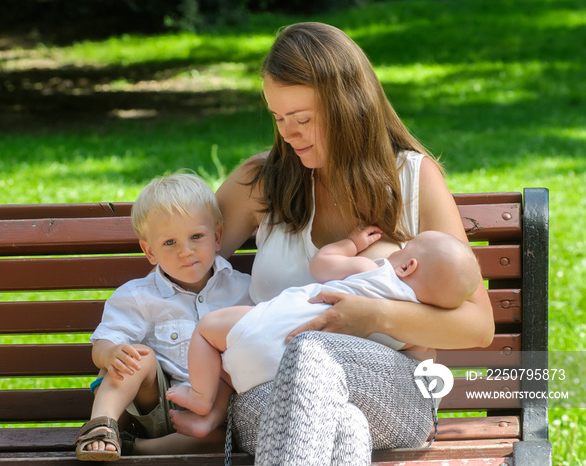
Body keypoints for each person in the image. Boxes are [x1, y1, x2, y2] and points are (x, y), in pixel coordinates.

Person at [205, 22, 494, 465]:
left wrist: (373, 315)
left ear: (348, 106)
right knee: (345, 429)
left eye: (302, 119)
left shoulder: (413, 179)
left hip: (392, 389)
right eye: (278, 118)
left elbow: (477, 325)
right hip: (263, 388)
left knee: (310, 351)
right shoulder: (261, 183)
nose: (288, 134)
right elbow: (180, 266)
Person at [165, 228, 481, 415]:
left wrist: (352, 243)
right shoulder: (412, 332)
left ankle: (202, 397)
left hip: (264, 334)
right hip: (285, 383)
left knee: (208, 329)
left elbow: (322, 265)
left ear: (408, 265)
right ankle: (210, 410)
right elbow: (419, 370)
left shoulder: (376, 271)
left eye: (406, 247)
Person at [74, 173, 253, 461]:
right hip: (159, 409)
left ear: (217, 236)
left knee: (230, 433)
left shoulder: (245, 290)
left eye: (196, 236)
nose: (186, 251)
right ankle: (101, 426)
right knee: (136, 356)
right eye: (170, 242)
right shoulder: (138, 296)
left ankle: (134, 449)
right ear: (150, 251)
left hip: (217, 418)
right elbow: (102, 345)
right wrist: (111, 353)